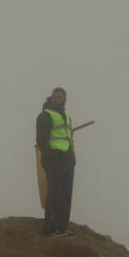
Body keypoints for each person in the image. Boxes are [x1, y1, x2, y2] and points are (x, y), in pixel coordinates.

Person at [36, 87, 76, 236]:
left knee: (66, 195)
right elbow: (41, 141)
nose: (56, 99)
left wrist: (72, 158)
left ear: (65, 99)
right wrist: (52, 156)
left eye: (59, 97)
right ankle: (50, 228)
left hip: (67, 159)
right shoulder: (45, 115)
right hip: (54, 160)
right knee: (55, 194)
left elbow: (68, 139)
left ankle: (61, 227)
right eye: (55, 96)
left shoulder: (67, 117)